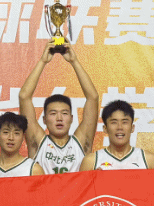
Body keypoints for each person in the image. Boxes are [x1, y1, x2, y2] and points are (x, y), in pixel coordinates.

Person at [18, 42, 100, 174]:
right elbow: (24, 97)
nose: (59, 118)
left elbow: (93, 98)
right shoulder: (37, 142)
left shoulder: (81, 142)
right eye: (53, 113)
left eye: (64, 113)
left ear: (72, 118)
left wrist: (74, 61)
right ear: (44, 119)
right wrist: (43, 61)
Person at [79, 100, 150, 171]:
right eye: (114, 122)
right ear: (105, 128)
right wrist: (95, 176)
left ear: (132, 128)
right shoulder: (91, 161)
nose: (120, 127)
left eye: (124, 122)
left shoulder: (148, 159)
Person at [0, 112, 46, 178]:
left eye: (16, 133)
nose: (11, 138)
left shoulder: (34, 169)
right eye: (6, 132)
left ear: (23, 137)